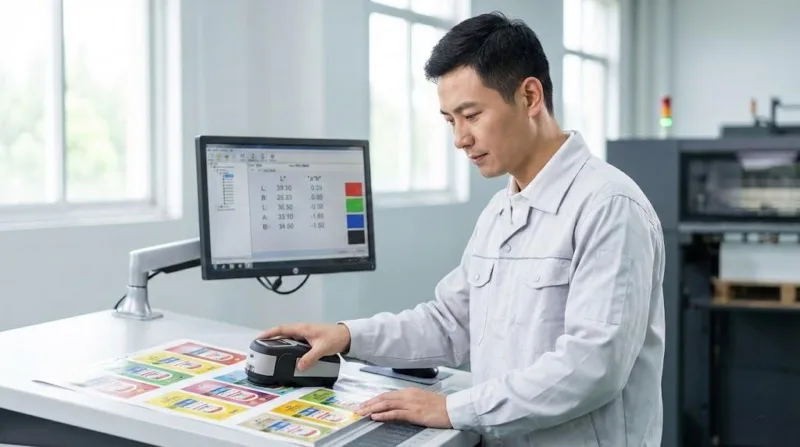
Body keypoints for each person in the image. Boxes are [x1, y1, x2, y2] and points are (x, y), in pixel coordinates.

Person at [259, 11, 665, 446]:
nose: (459, 138)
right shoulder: (500, 211)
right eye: (450, 120)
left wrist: (454, 408)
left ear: (530, 97)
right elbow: (451, 322)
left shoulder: (608, 206)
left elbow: (593, 367)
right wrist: (347, 335)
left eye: (471, 115)